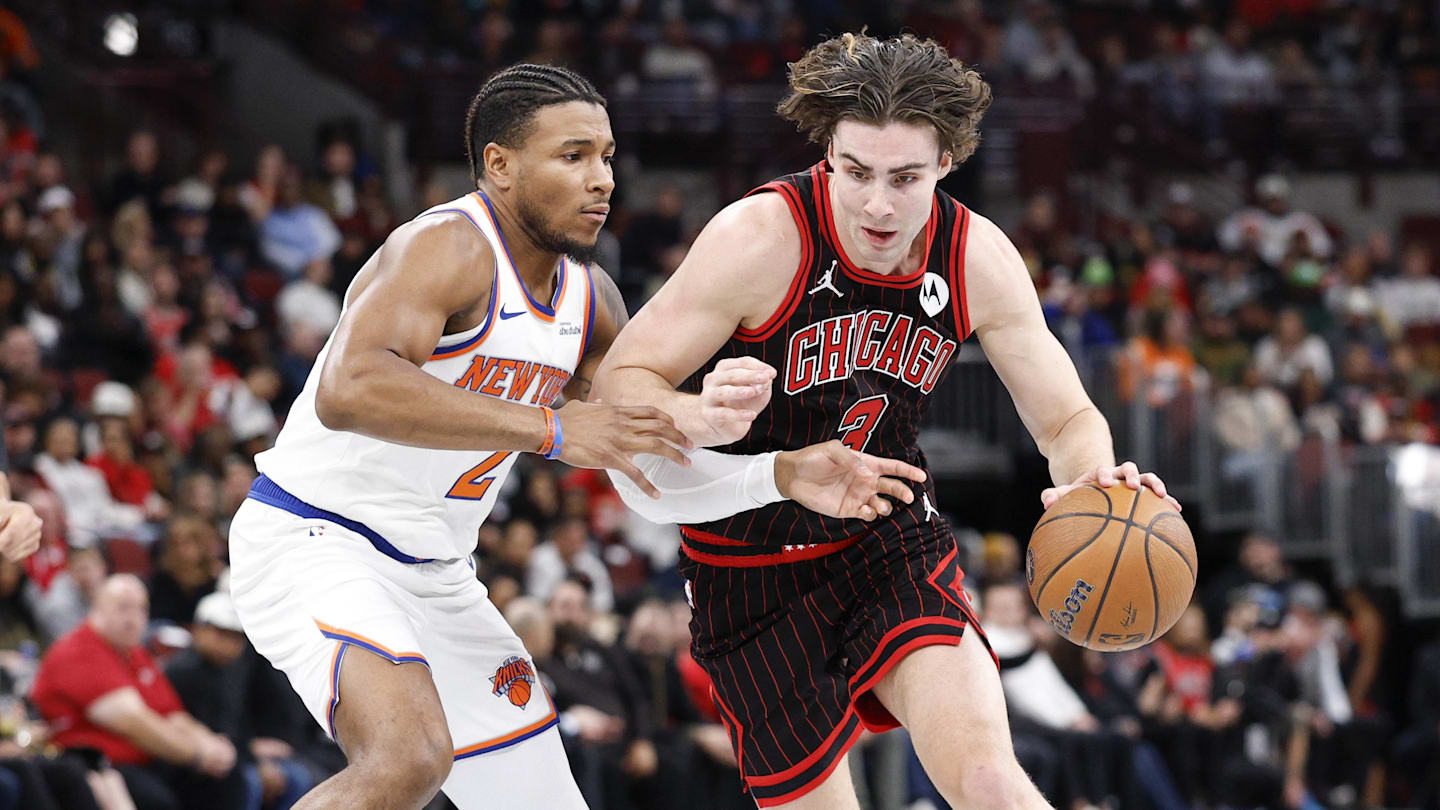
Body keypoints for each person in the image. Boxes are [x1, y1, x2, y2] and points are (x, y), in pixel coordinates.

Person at [228, 62, 915, 810]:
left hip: (436, 572)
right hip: (316, 537)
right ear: (500, 166)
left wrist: (766, 467)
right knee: (406, 759)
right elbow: (348, 388)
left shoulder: (592, 299)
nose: (602, 180)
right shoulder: (448, 247)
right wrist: (551, 428)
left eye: (608, 156)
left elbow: (646, 478)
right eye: (573, 156)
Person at [593, 32, 1180, 809]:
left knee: (987, 783)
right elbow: (617, 388)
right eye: (856, 171)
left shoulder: (976, 256)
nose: (876, 202)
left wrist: (1093, 482)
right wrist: (692, 411)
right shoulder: (759, 238)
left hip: (888, 539)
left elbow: (1066, 417)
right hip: (747, 568)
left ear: (946, 163)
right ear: (828, 152)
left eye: (904, 177)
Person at [30, 575, 248, 810]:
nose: (133, 619)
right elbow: (134, 722)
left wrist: (211, 745)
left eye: (141, 609)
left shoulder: (134, 653)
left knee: (228, 778)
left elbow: (172, 713)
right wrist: (197, 754)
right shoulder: (78, 651)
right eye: (123, 608)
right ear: (98, 607)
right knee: (157, 798)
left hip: (144, 759)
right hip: (96, 763)